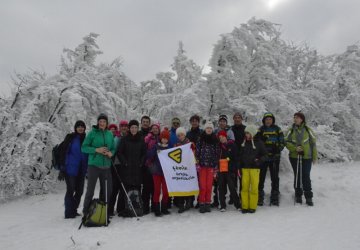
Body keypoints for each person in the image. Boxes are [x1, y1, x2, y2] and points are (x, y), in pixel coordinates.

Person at [81, 114, 115, 217]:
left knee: (107, 191)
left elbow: (113, 148)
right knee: (90, 190)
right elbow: (84, 148)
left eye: (104, 121)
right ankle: (86, 211)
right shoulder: (92, 133)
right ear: (98, 122)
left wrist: (111, 153)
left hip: (106, 167)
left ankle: (104, 212)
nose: (102, 123)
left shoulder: (110, 134)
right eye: (100, 121)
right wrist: (97, 150)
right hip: (94, 166)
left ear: (106, 123)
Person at [57, 120, 88, 218]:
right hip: (70, 170)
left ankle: (73, 210)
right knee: (70, 190)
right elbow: (63, 153)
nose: (80, 128)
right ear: (75, 128)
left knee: (80, 191)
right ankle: (68, 213)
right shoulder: (70, 138)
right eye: (78, 126)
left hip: (81, 170)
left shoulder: (86, 139)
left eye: (82, 126)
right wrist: (62, 168)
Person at [285, 112, 317, 206]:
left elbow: (313, 143)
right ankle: (298, 194)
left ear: (302, 119)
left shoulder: (308, 130)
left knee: (306, 175)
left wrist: (314, 156)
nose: (295, 119)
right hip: (294, 157)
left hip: (307, 157)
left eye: (298, 118)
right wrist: (295, 148)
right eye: (294, 117)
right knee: (297, 175)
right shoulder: (291, 130)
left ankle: (308, 196)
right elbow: (285, 141)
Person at [116, 120, 147, 215]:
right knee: (125, 189)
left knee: (137, 188)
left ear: (138, 128)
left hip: (137, 168)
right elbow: (119, 152)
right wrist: (124, 162)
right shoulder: (125, 139)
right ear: (129, 128)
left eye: (135, 127)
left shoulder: (141, 139)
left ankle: (137, 207)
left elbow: (144, 153)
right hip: (127, 168)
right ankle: (122, 208)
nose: (134, 129)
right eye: (132, 127)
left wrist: (141, 162)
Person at [257, 112, 285, 206]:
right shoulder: (260, 129)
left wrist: (278, 149)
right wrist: (262, 142)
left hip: (274, 157)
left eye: (270, 119)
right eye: (266, 119)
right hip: (264, 158)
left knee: (275, 177)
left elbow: (282, 141)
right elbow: (256, 142)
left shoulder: (277, 129)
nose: (268, 121)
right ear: (264, 120)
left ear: (272, 120)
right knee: (261, 177)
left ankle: (275, 196)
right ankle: (259, 196)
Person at [239, 125, 267, 214]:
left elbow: (265, 155)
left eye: (248, 133)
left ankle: (252, 206)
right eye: (246, 133)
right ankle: (244, 206)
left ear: (252, 133)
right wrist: (239, 165)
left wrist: (259, 161)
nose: (246, 135)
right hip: (245, 169)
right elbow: (240, 155)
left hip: (255, 169)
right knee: (244, 188)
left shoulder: (259, 143)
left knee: (254, 188)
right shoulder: (243, 143)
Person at [196, 121, 220, 213]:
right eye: (207, 128)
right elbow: (197, 152)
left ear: (212, 130)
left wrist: (215, 165)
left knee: (209, 186)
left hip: (211, 166)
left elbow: (217, 152)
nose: (209, 129)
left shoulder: (215, 139)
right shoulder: (201, 139)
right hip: (202, 166)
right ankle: (202, 202)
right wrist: (197, 162)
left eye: (210, 128)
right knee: (202, 186)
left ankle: (207, 203)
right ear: (205, 129)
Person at [146, 128, 171, 216]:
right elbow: (148, 155)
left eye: (166, 138)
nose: (164, 139)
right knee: (157, 190)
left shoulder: (169, 148)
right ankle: (156, 209)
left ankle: (164, 208)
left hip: (166, 173)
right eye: (163, 138)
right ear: (160, 138)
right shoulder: (156, 146)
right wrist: (154, 150)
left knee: (166, 191)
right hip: (156, 172)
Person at [213, 114, 235, 207]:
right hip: (218, 159)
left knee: (229, 182)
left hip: (227, 160)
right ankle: (217, 201)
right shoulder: (215, 131)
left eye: (224, 121)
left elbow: (232, 143)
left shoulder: (229, 131)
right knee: (218, 183)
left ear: (226, 122)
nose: (222, 123)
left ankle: (233, 199)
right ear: (219, 122)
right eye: (221, 121)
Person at [108, 121, 128, 216]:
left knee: (122, 188)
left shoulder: (128, 137)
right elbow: (113, 151)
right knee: (114, 187)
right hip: (116, 165)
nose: (124, 128)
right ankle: (110, 209)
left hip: (125, 166)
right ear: (120, 128)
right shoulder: (117, 138)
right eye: (122, 126)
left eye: (125, 126)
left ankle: (120, 208)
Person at [217, 130, 241, 212]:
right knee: (221, 188)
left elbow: (236, 157)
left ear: (226, 137)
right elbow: (216, 158)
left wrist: (234, 167)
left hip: (230, 170)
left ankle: (237, 205)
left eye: (223, 137)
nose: (221, 139)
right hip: (221, 170)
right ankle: (222, 205)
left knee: (232, 188)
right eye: (220, 138)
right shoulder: (218, 147)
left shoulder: (232, 145)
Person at [174, 127, 195, 213]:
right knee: (180, 186)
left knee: (188, 185)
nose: (180, 136)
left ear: (184, 134)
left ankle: (189, 202)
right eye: (178, 135)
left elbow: (194, 153)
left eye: (181, 134)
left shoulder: (190, 143)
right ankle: (181, 204)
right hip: (180, 169)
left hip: (188, 168)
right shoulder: (176, 145)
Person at [142, 123, 160, 214]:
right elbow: (145, 152)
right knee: (146, 187)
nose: (155, 129)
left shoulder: (161, 139)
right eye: (153, 128)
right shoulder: (147, 139)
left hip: (158, 166)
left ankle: (154, 205)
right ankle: (145, 206)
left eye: (156, 128)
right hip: (148, 165)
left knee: (155, 187)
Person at [230, 112, 246, 204]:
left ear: (241, 119)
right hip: (232, 158)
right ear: (233, 119)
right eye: (235, 117)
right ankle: (233, 196)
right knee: (233, 179)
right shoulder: (230, 129)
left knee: (242, 179)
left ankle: (241, 196)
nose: (237, 119)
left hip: (243, 157)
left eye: (239, 117)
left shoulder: (245, 129)